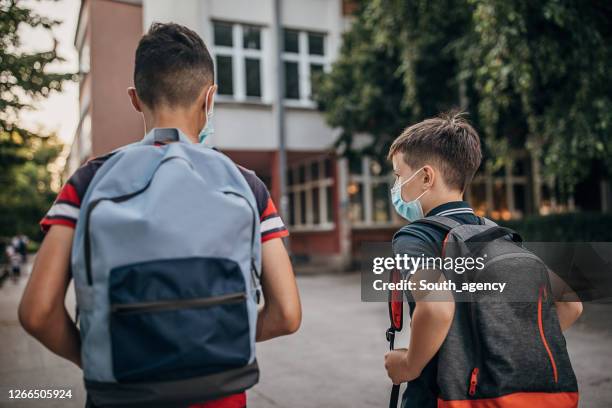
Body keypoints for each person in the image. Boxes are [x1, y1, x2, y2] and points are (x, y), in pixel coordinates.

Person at [19, 22, 301, 408]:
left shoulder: (89, 181)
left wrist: (103, 357)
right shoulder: (246, 185)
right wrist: (206, 339)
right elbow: (286, 314)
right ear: (210, 98)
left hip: (121, 394)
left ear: (136, 98)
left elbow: (37, 312)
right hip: (219, 393)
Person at [383, 112, 583, 408]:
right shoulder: (497, 234)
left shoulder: (417, 236)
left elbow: (436, 307)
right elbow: (570, 303)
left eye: (399, 175)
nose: (396, 186)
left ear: (425, 177)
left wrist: (409, 364)